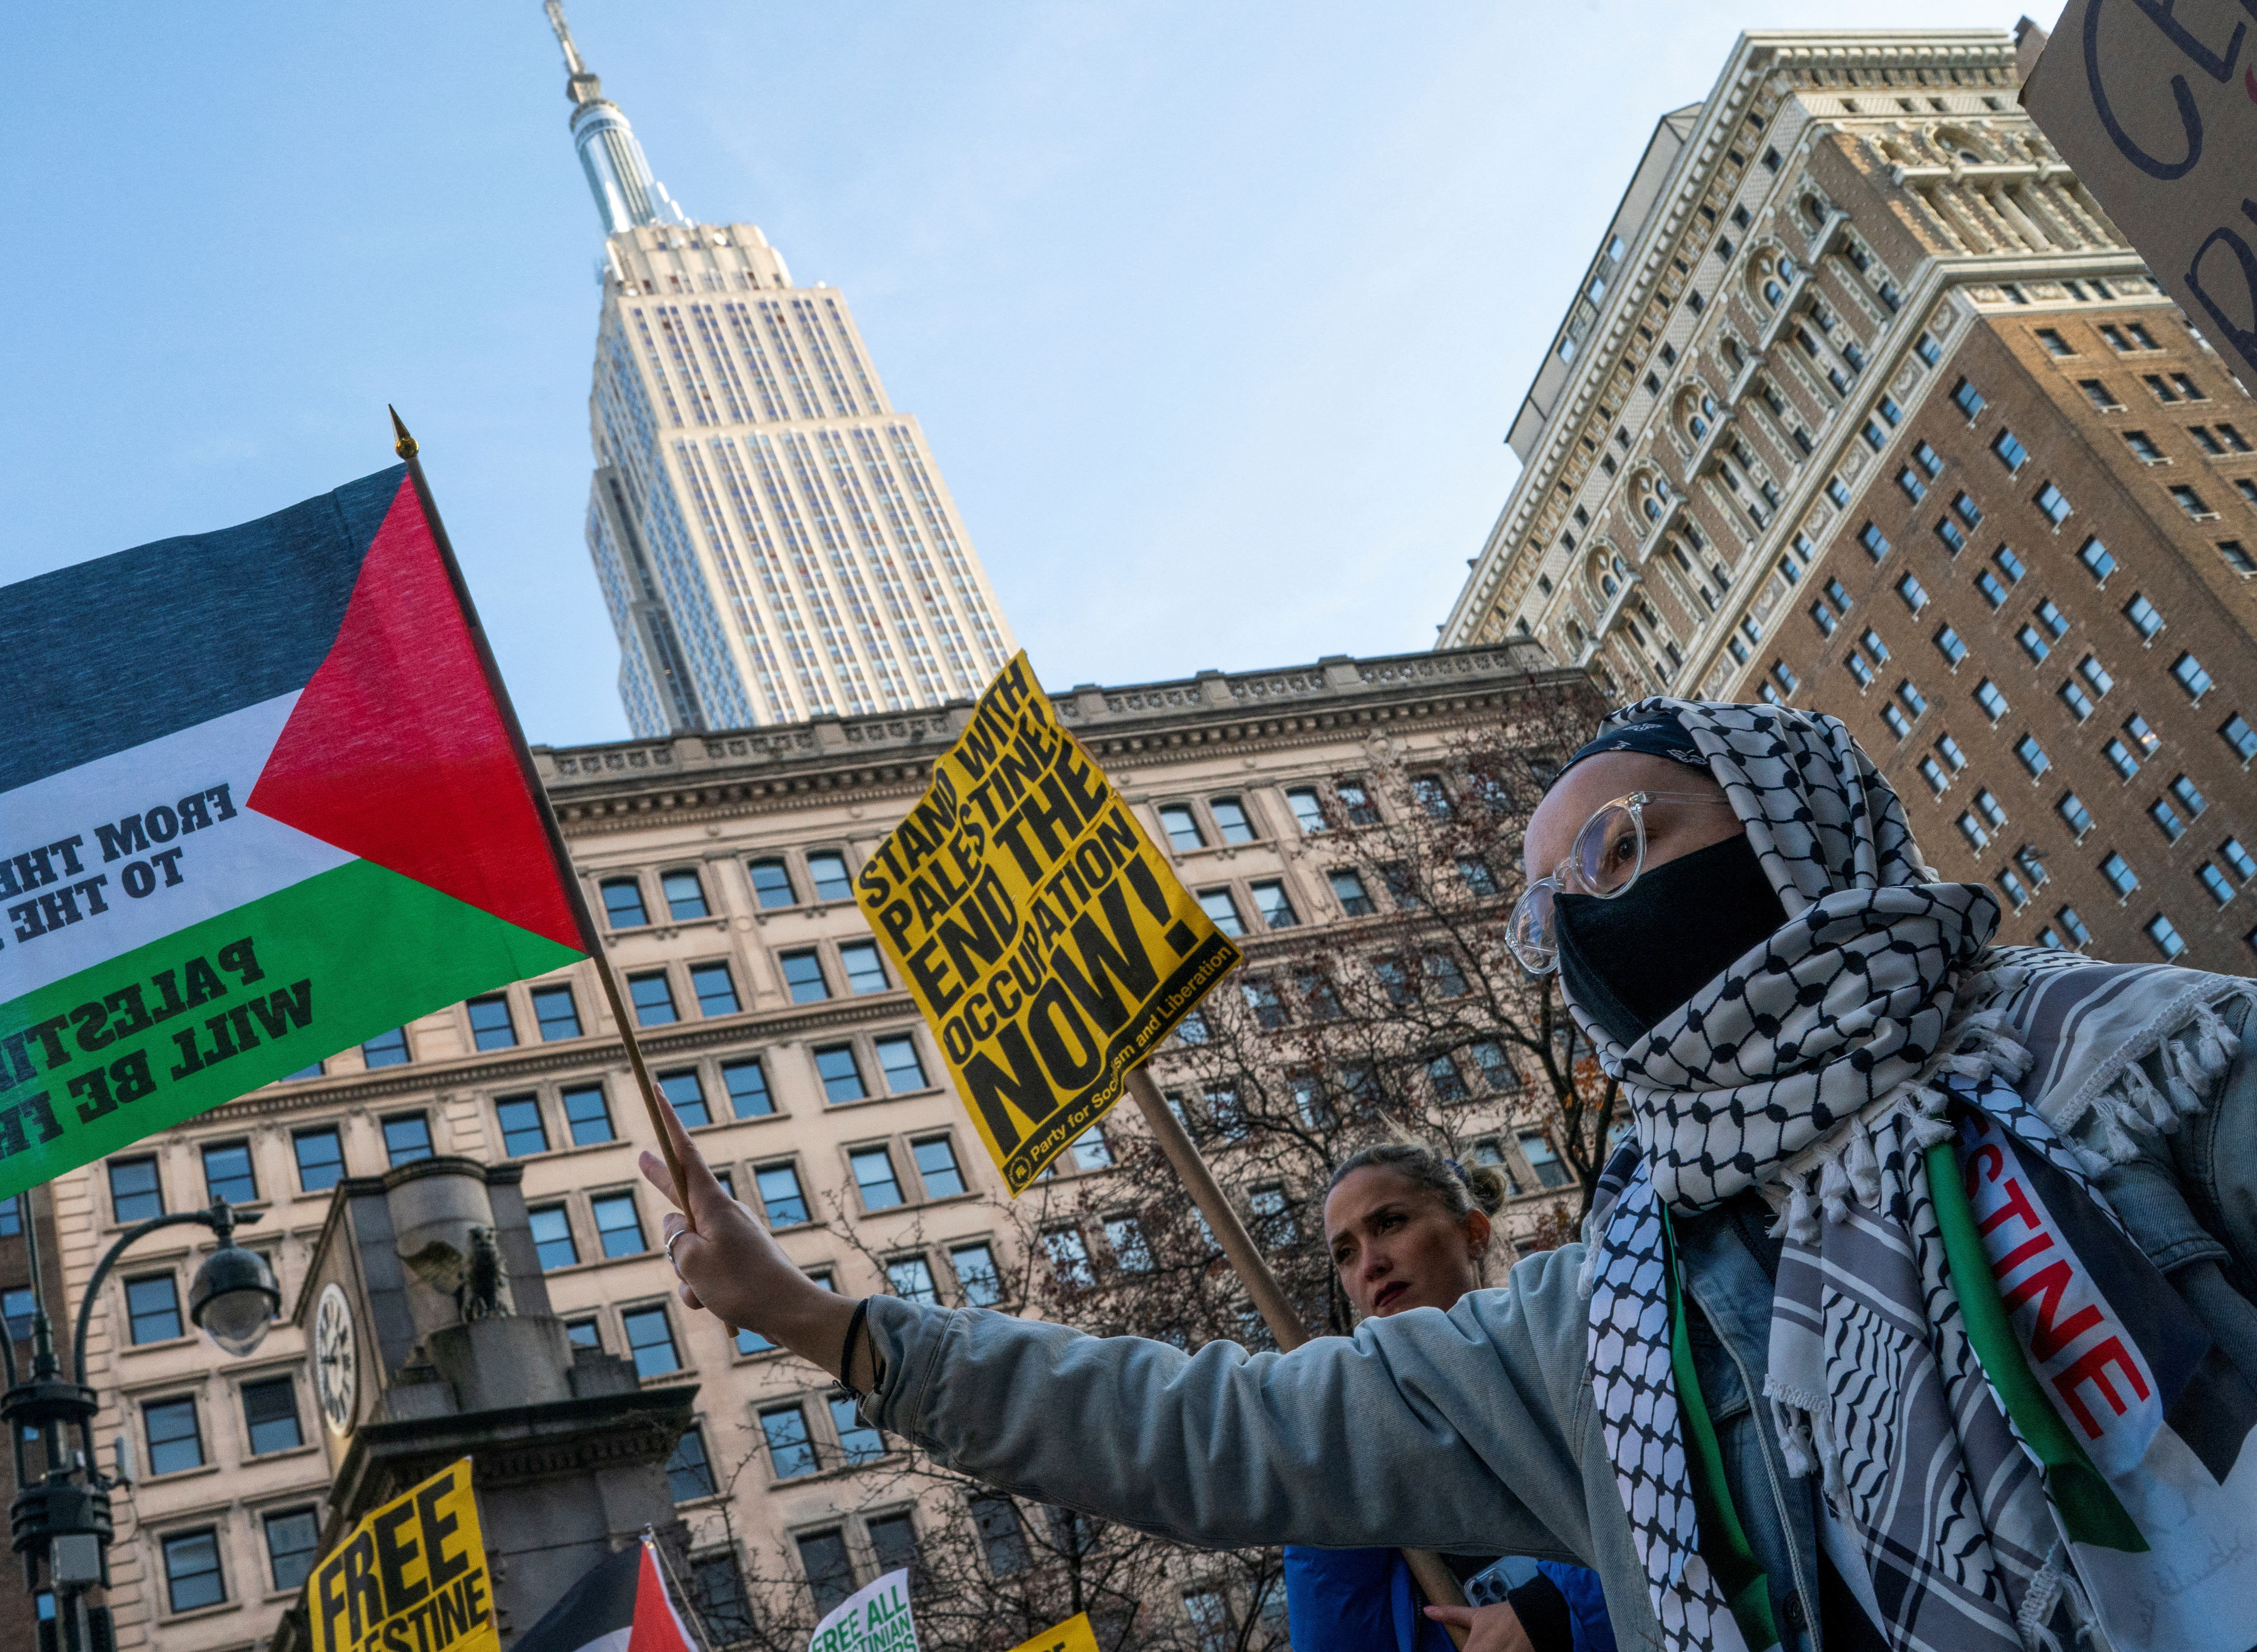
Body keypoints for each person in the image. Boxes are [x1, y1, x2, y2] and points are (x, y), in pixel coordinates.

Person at [643, 699, 2257, 1652]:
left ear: (1783, 821)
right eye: (1539, 907)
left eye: (1615, 848)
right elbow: (1211, 1429)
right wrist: (817, 1319)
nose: (1571, 922)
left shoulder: (2133, 1065)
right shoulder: (1592, 1337)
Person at [1293, 1143, 1615, 1652]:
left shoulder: (1584, 1347)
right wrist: (1328, 1471)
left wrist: (1557, 1608)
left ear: (1474, 1233)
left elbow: (1692, 1510)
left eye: (1390, 1223)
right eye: (1346, 1253)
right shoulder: (1353, 1447)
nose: (1370, 1264)